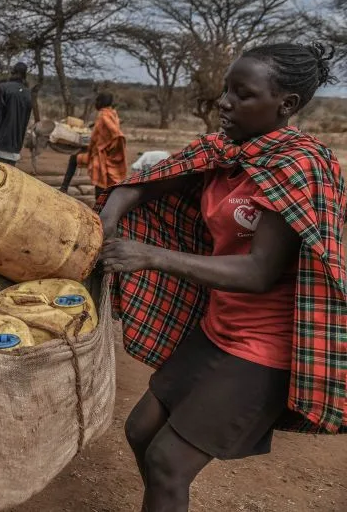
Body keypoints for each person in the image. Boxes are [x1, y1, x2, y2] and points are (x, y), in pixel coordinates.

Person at [97, 43, 346, 512]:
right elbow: (143, 184)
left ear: (286, 105)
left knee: (169, 462)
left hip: (263, 349)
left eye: (242, 94)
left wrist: (151, 255)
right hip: (217, 331)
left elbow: (258, 273)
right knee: (141, 432)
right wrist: (109, 217)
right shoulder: (223, 152)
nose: (225, 103)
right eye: (226, 90)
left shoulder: (300, 168)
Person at [60, 93, 127, 195]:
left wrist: (99, 146)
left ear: (100, 102)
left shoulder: (103, 116)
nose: (96, 103)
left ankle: (64, 188)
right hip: (107, 153)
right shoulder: (112, 113)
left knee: (76, 160)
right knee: (75, 159)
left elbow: (115, 134)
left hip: (102, 156)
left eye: (97, 101)